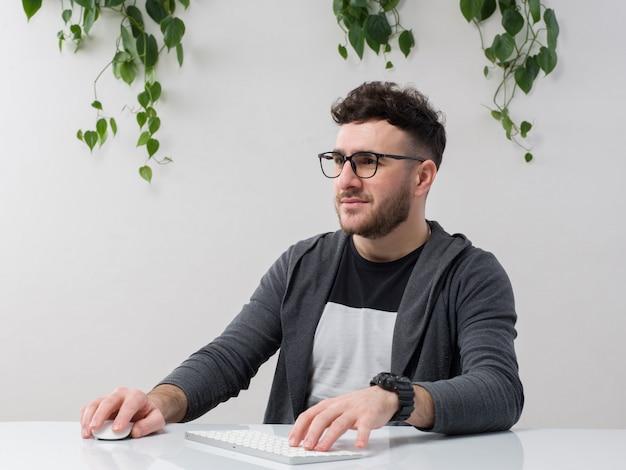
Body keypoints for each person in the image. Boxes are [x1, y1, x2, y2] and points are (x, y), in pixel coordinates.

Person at [81, 81, 523, 451]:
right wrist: (158, 402)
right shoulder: (302, 263)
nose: (346, 180)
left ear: (422, 177)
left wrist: (394, 398)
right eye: (339, 160)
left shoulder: (471, 274)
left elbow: (499, 389)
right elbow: (229, 357)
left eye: (368, 162)